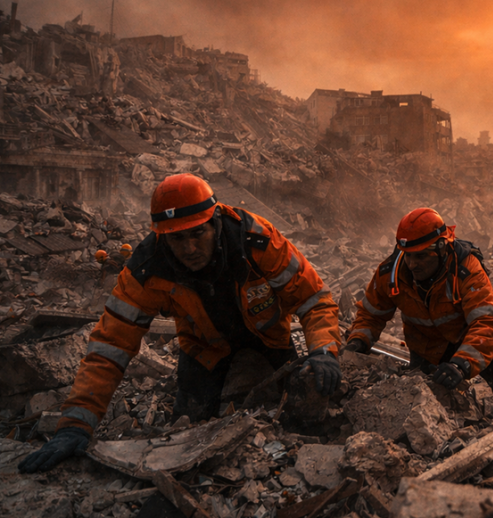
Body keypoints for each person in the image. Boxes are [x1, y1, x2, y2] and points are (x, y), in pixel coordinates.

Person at [20, 174, 342, 474]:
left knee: (297, 417)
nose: (189, 249)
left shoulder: (256, 241)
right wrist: (76, 423)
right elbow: (110, 347)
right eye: (176, 239)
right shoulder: (146, 270)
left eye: (197, 234)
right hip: (204, 350)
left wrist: (325, 351)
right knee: (188, 433)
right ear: (162, 236)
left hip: (269, 339)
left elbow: (314, 299)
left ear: (214, 222)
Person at [345, 208, 493, 420]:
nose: (413, 264)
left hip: (477, 336)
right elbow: (371, 314)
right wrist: (358, 341)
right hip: (427, 344)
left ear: (442, 247)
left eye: (421, 256)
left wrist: (461, 364)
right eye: (409, 256)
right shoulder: (391, 273)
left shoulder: (467, 269)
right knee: (425, 404)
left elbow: (486, 322)